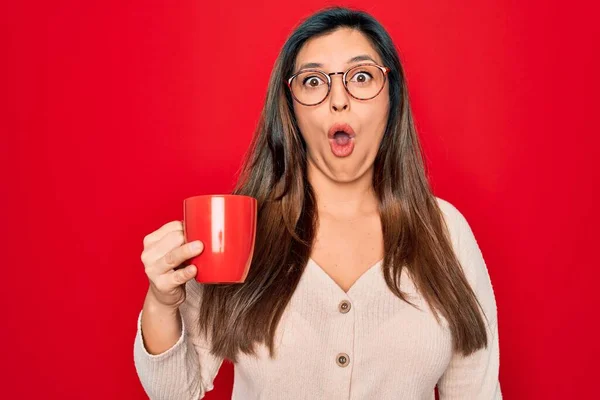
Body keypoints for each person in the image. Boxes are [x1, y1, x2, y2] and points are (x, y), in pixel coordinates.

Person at [133, 6, 501, 400]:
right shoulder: (242, 229)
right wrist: (160, 301)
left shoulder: (445, 231)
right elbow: (175, 392)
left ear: (391, 98)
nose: (338, 99)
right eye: (313, 81)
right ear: (290, 107)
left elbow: (475, 392)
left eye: (361, 77)